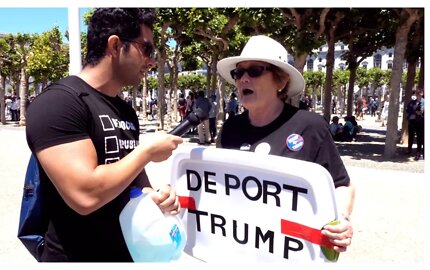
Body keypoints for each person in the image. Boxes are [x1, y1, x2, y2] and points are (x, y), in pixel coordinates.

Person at [25, 8, 183, 262]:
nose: (152, 61)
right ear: (115, 45)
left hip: (127, 254)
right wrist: (147, 153)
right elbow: (84, 195)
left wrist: (155, 197)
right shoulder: (59, 103)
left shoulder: (125, 111)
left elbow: (133, 183)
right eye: (147, 49)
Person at [216, 35, 355, 254]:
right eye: (238, 72)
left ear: (281, 81)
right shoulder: (230, 128)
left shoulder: (310, 127)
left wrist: (342, 219)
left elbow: (342, 185)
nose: (243, 79)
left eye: (254, 71)